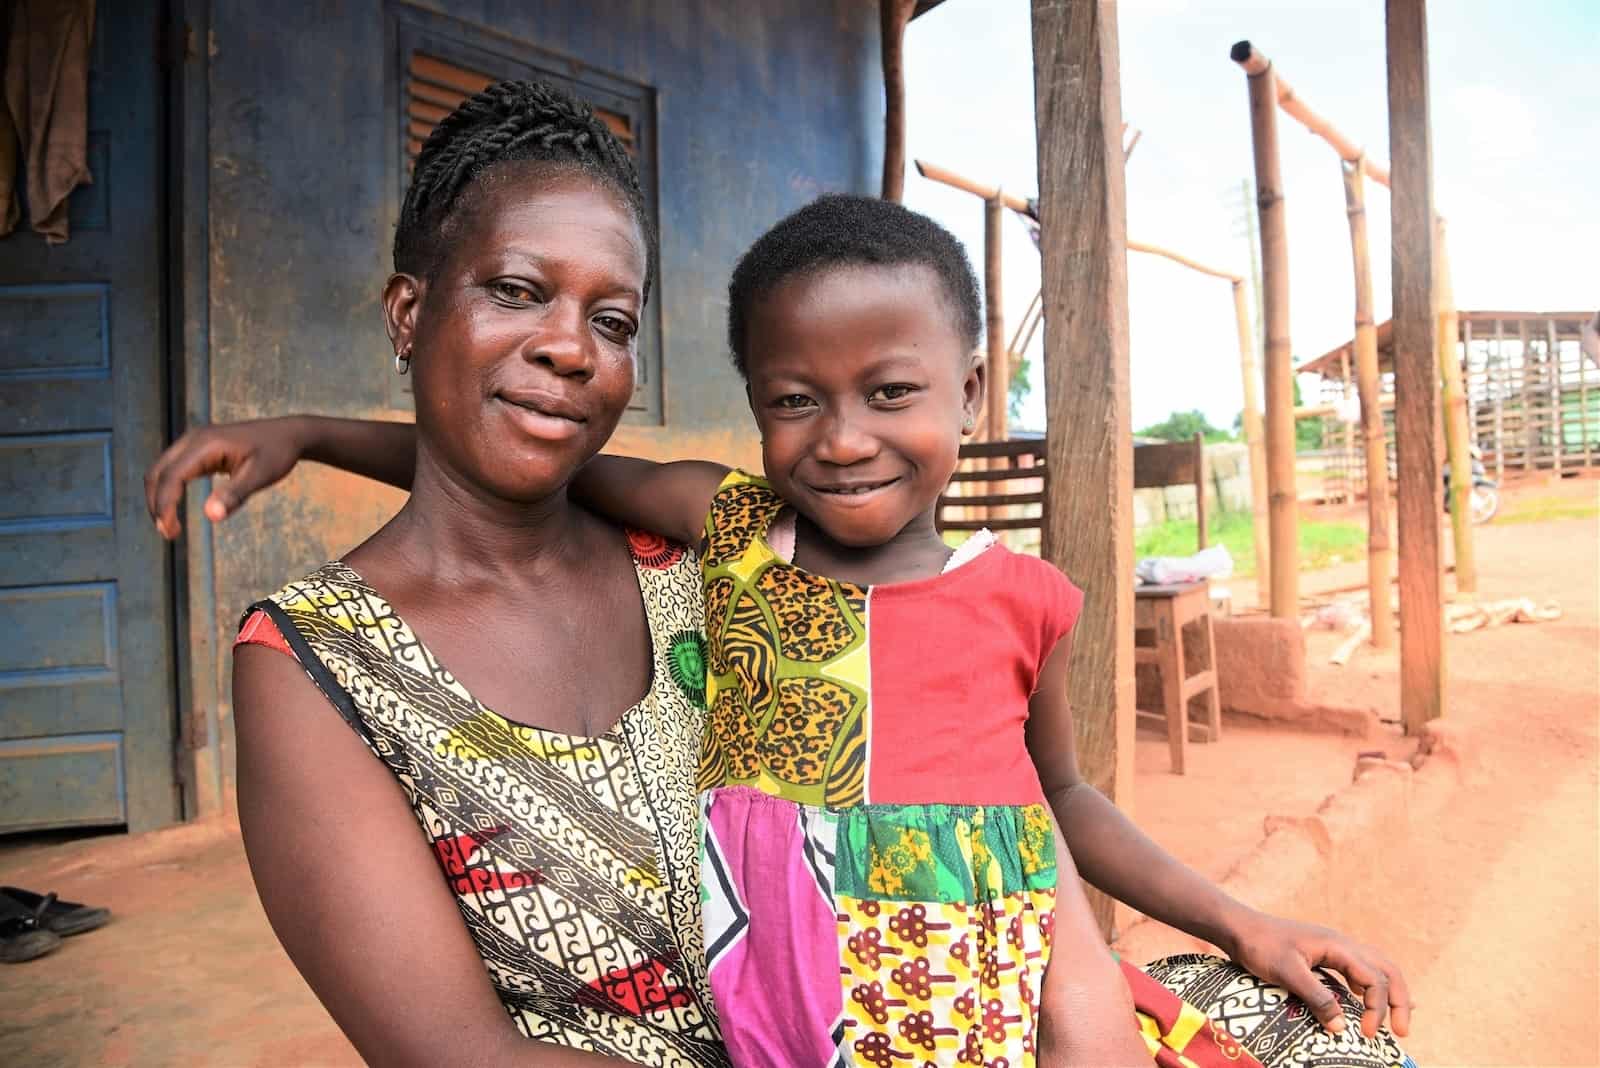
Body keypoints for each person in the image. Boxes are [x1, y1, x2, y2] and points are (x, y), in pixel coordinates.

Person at [148, 95, 1415, 1068]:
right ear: (410, 313)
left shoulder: (721, 554)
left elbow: (1023, 788)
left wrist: (1236, 923)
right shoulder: (317, 668)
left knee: (1339, 1033)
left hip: (942, 1018)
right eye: (517, 292)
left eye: (614, 320)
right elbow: (456, 1056)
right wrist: (314, 430)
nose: (566, 348)